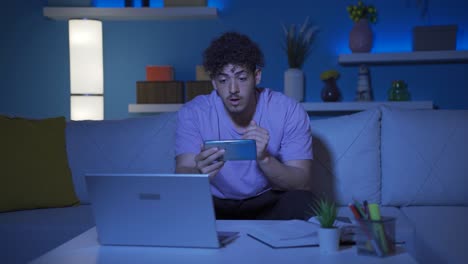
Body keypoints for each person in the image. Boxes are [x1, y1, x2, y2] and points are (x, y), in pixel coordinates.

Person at [175, 31, 316, 220]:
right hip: (212, 203)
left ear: (256, 77)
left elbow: (302, 181)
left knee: (303, 201)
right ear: (214, 82)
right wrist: (198, 173)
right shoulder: (193, 112)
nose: (233, 89)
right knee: (176, 206)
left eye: (242, 78)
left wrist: (265, 159)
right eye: (223, 80)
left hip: (266, 201)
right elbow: (182, 171)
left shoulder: (288, 110)